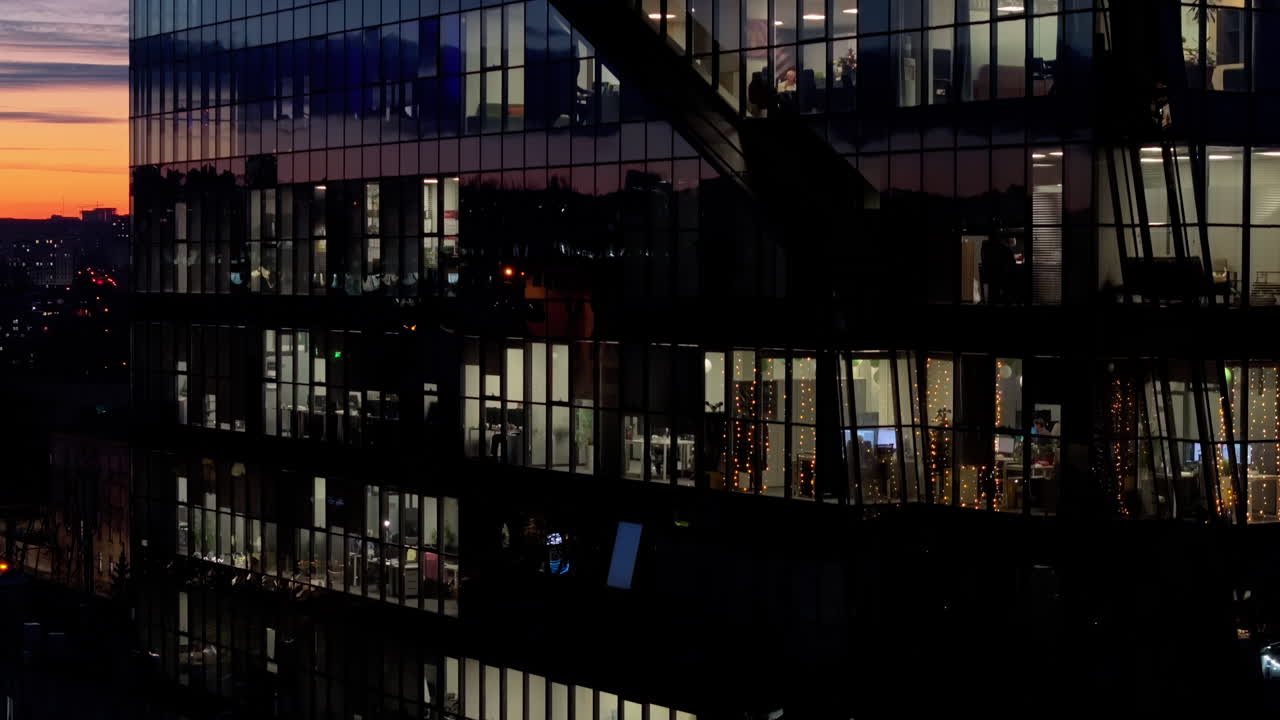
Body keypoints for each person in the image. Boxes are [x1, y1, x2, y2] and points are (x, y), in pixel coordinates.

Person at [981, 236, 1016, 304]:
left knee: (992, 294)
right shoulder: (1005, 248)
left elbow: (984, 260)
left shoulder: (986, 247)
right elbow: (1012, 262)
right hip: (1002, 276)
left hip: (991, 275)